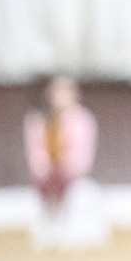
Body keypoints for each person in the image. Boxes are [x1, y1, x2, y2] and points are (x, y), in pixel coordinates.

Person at [22, 75, 107, 251]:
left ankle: (65, 230)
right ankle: (50, 230)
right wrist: (44, 169)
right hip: (47, 173)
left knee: (67, 188)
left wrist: (67, 167)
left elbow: (83, 153)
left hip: (71, 172)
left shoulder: (82, 119)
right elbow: (36, 151)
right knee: (46, 187)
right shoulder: (39, 119)